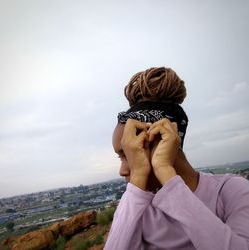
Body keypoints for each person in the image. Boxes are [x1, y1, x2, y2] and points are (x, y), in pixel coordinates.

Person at [104, 67, 249, 250]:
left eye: (127, 154)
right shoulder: (137, 206)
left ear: (161, 141)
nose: (122, 170)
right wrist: (139, 174)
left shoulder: (231, 191)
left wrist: (165, 172)